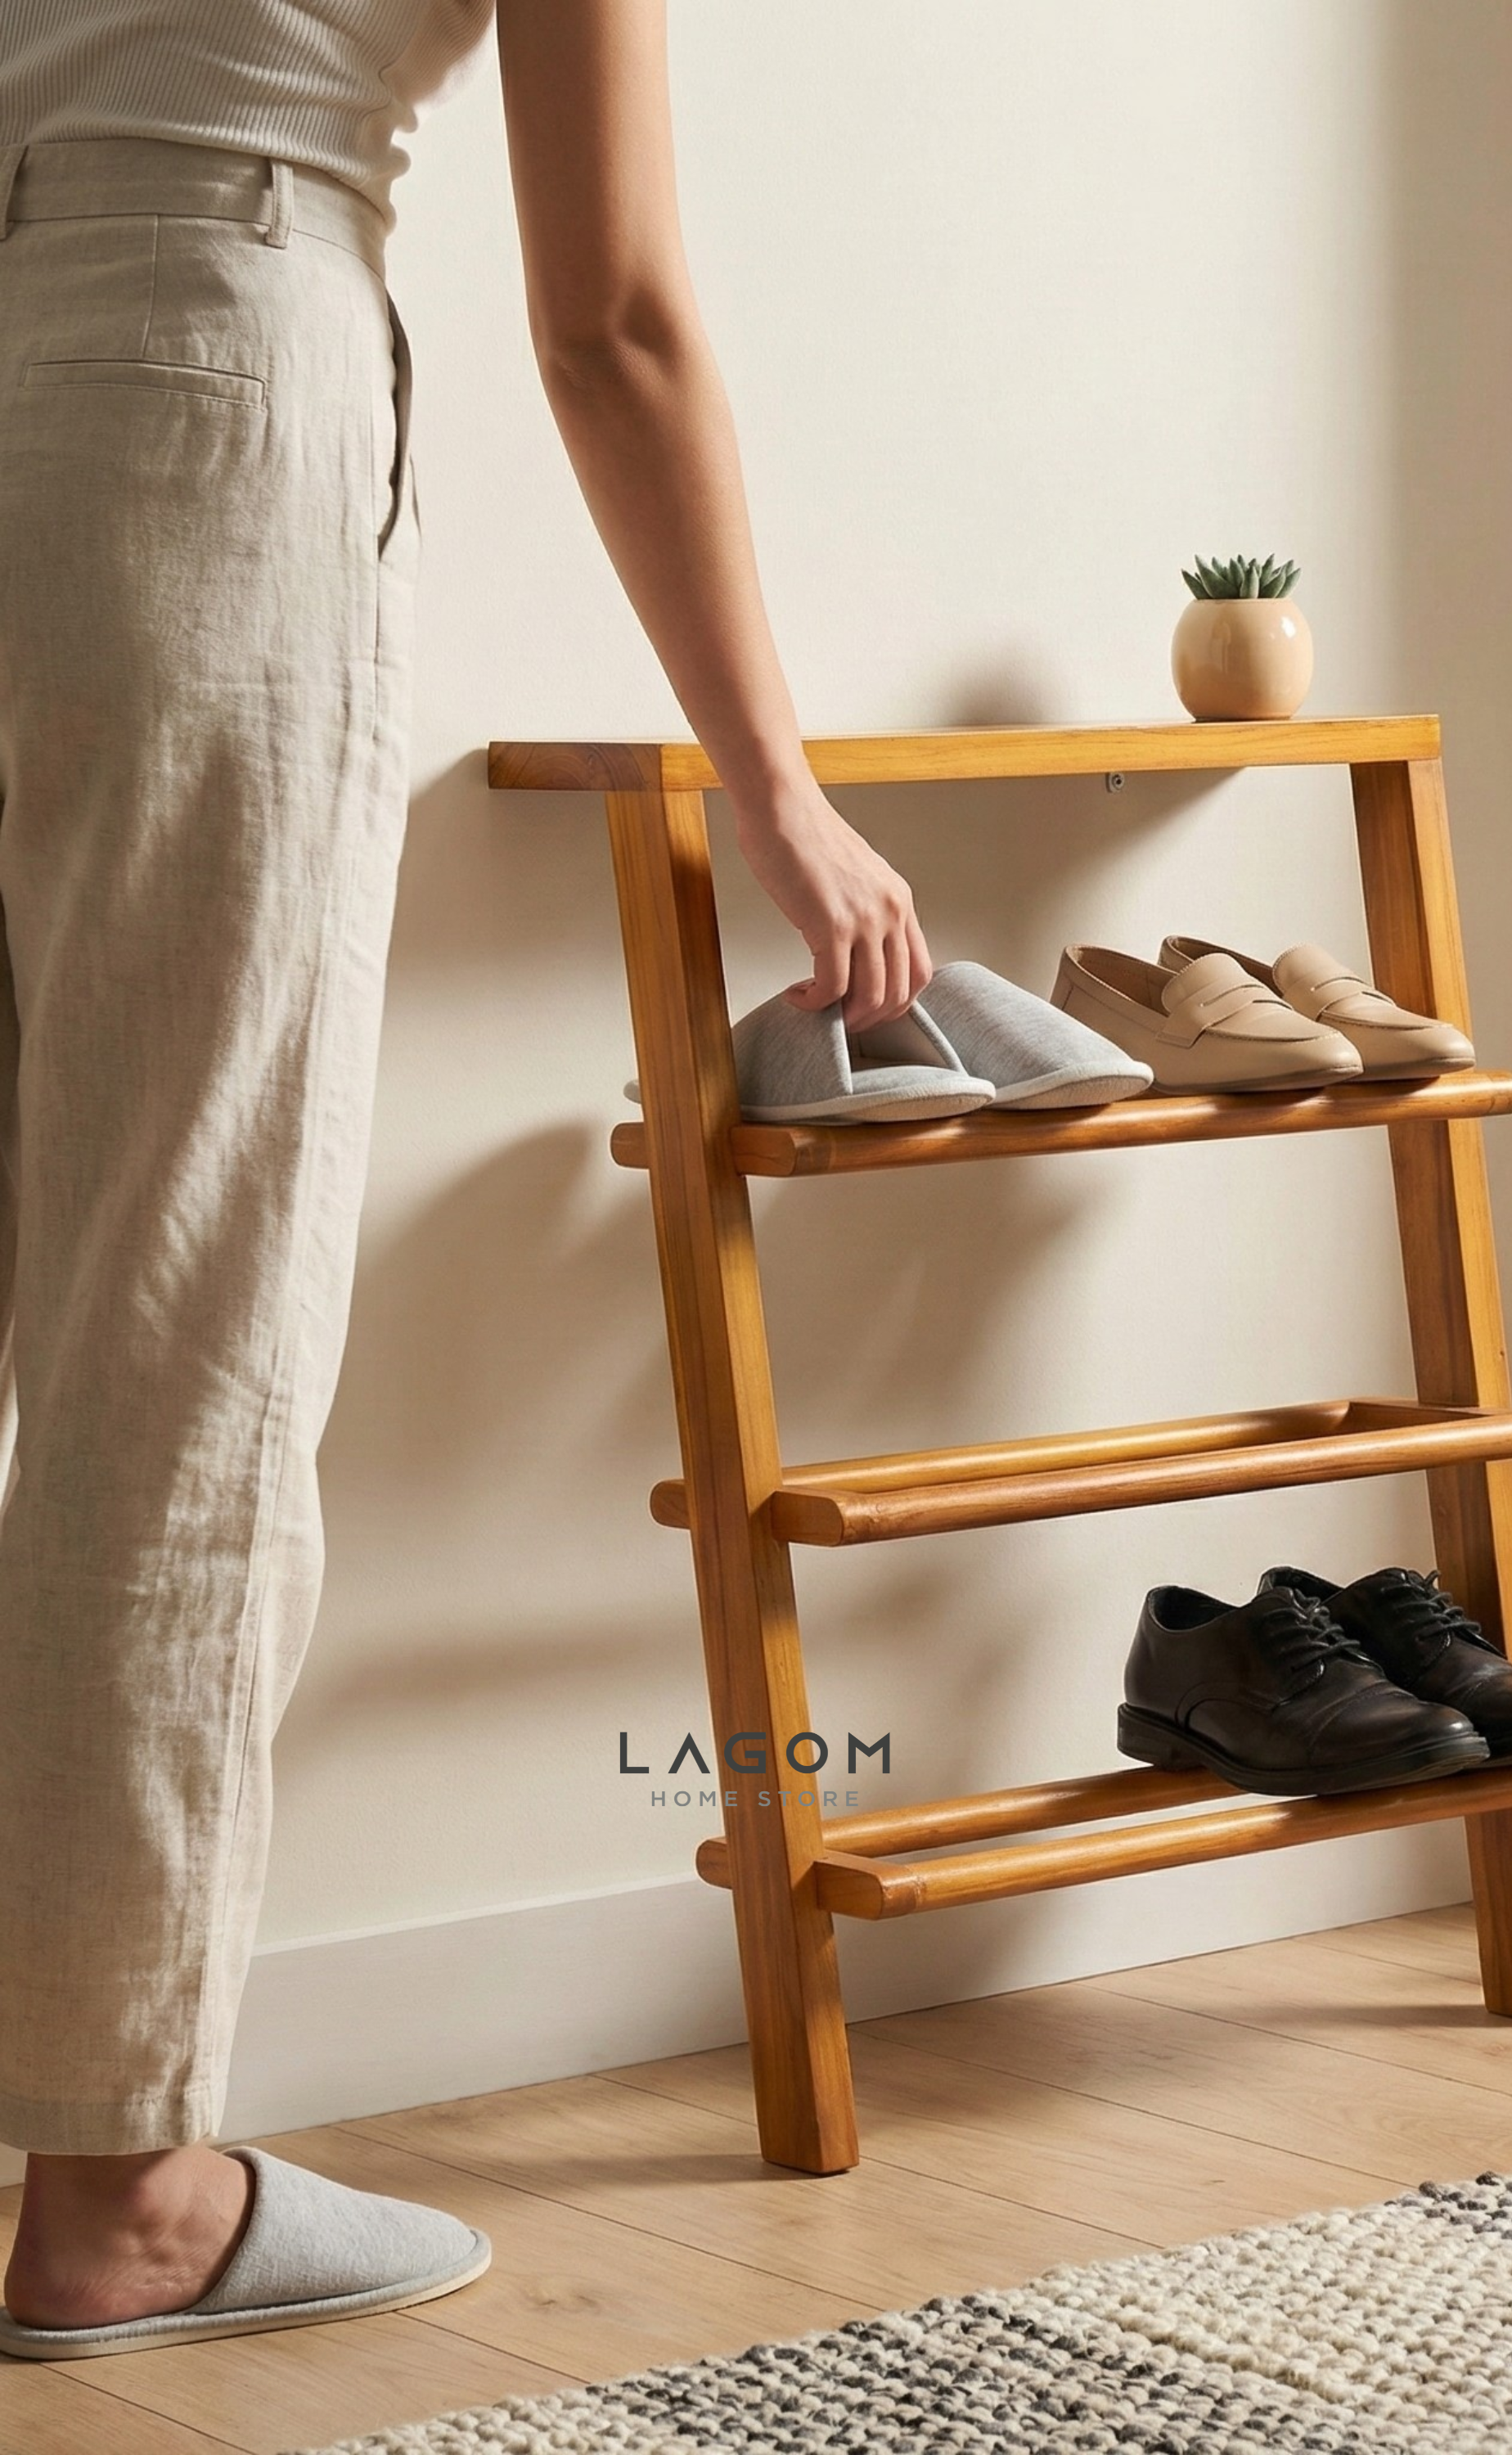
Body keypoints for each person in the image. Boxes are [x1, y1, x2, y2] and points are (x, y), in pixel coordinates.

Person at [0, 0, 928, 2351]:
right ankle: (123, 2188)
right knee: (173, 1316)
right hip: (188, 388)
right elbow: (608, 318)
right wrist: (777, 780)